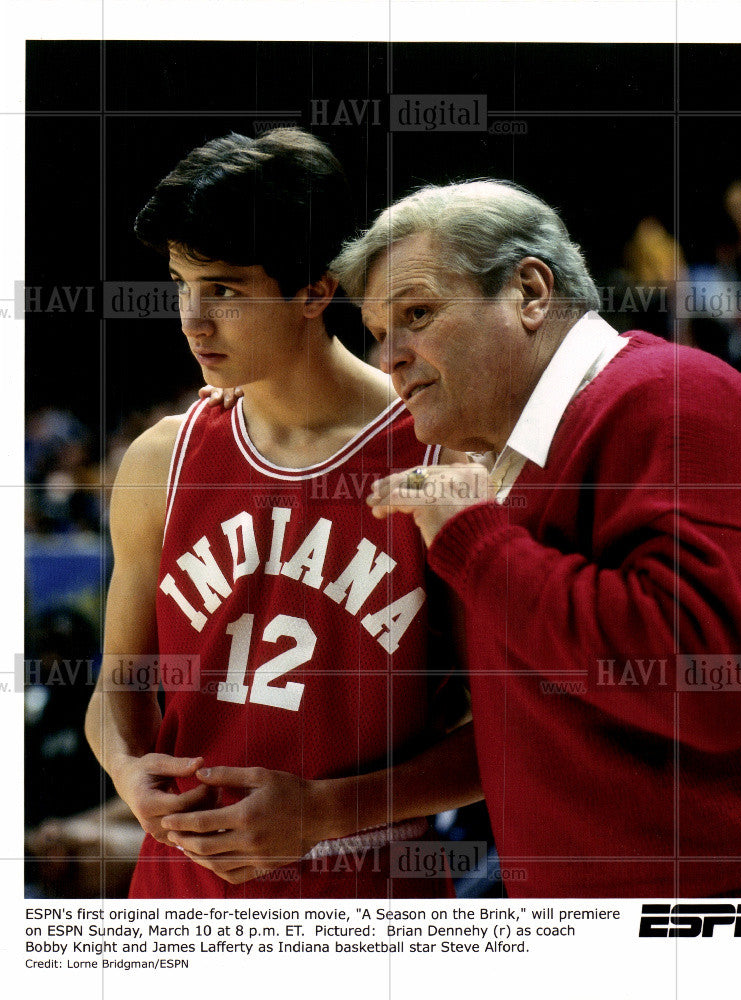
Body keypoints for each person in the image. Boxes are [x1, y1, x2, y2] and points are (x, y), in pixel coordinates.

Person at [330, 179, 741, 898]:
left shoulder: (671, 398)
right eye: (379, 334)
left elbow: (708, 679)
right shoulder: (513, 462)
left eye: (417, 314)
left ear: (529, 293)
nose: (390, 359)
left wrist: (478, 545)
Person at [85, 130, 481, 899]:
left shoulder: (443, 461)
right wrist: (131, 775)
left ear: (315, 288)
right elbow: (116, 687)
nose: (192, 321)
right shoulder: (160, 461)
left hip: (362, 908)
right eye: (180, 283)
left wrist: (324, 812)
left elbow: (503, 736)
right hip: (176, 902)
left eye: (226, 290)